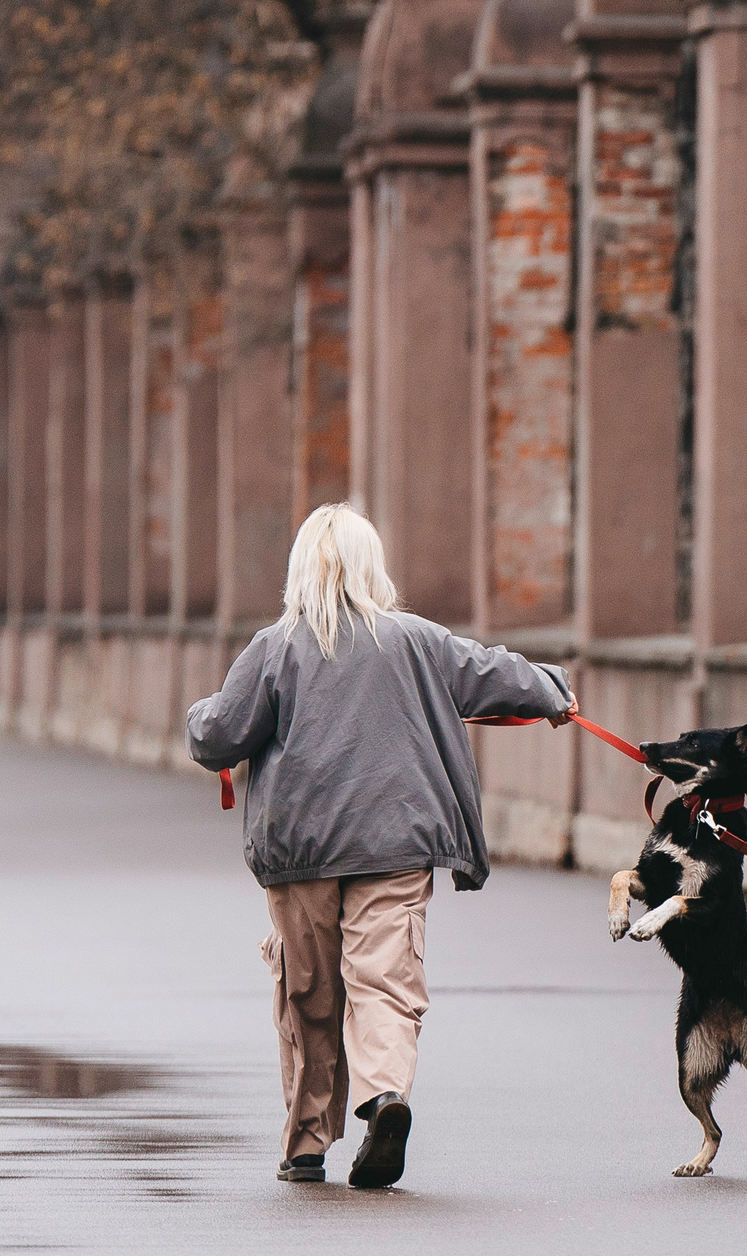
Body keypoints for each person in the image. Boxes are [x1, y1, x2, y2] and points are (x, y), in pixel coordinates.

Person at [186, 503, 574, 1192]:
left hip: (302, 848)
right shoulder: (418, 641)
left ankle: (307, 1144)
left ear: (300, 567)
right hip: (398, 838)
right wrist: (552, 690)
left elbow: (217, 735)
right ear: (374, 565)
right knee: (386, 980)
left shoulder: (276, 648)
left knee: (308, 991)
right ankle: (385, 1097)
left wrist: (199, 718)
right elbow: (493, 673)